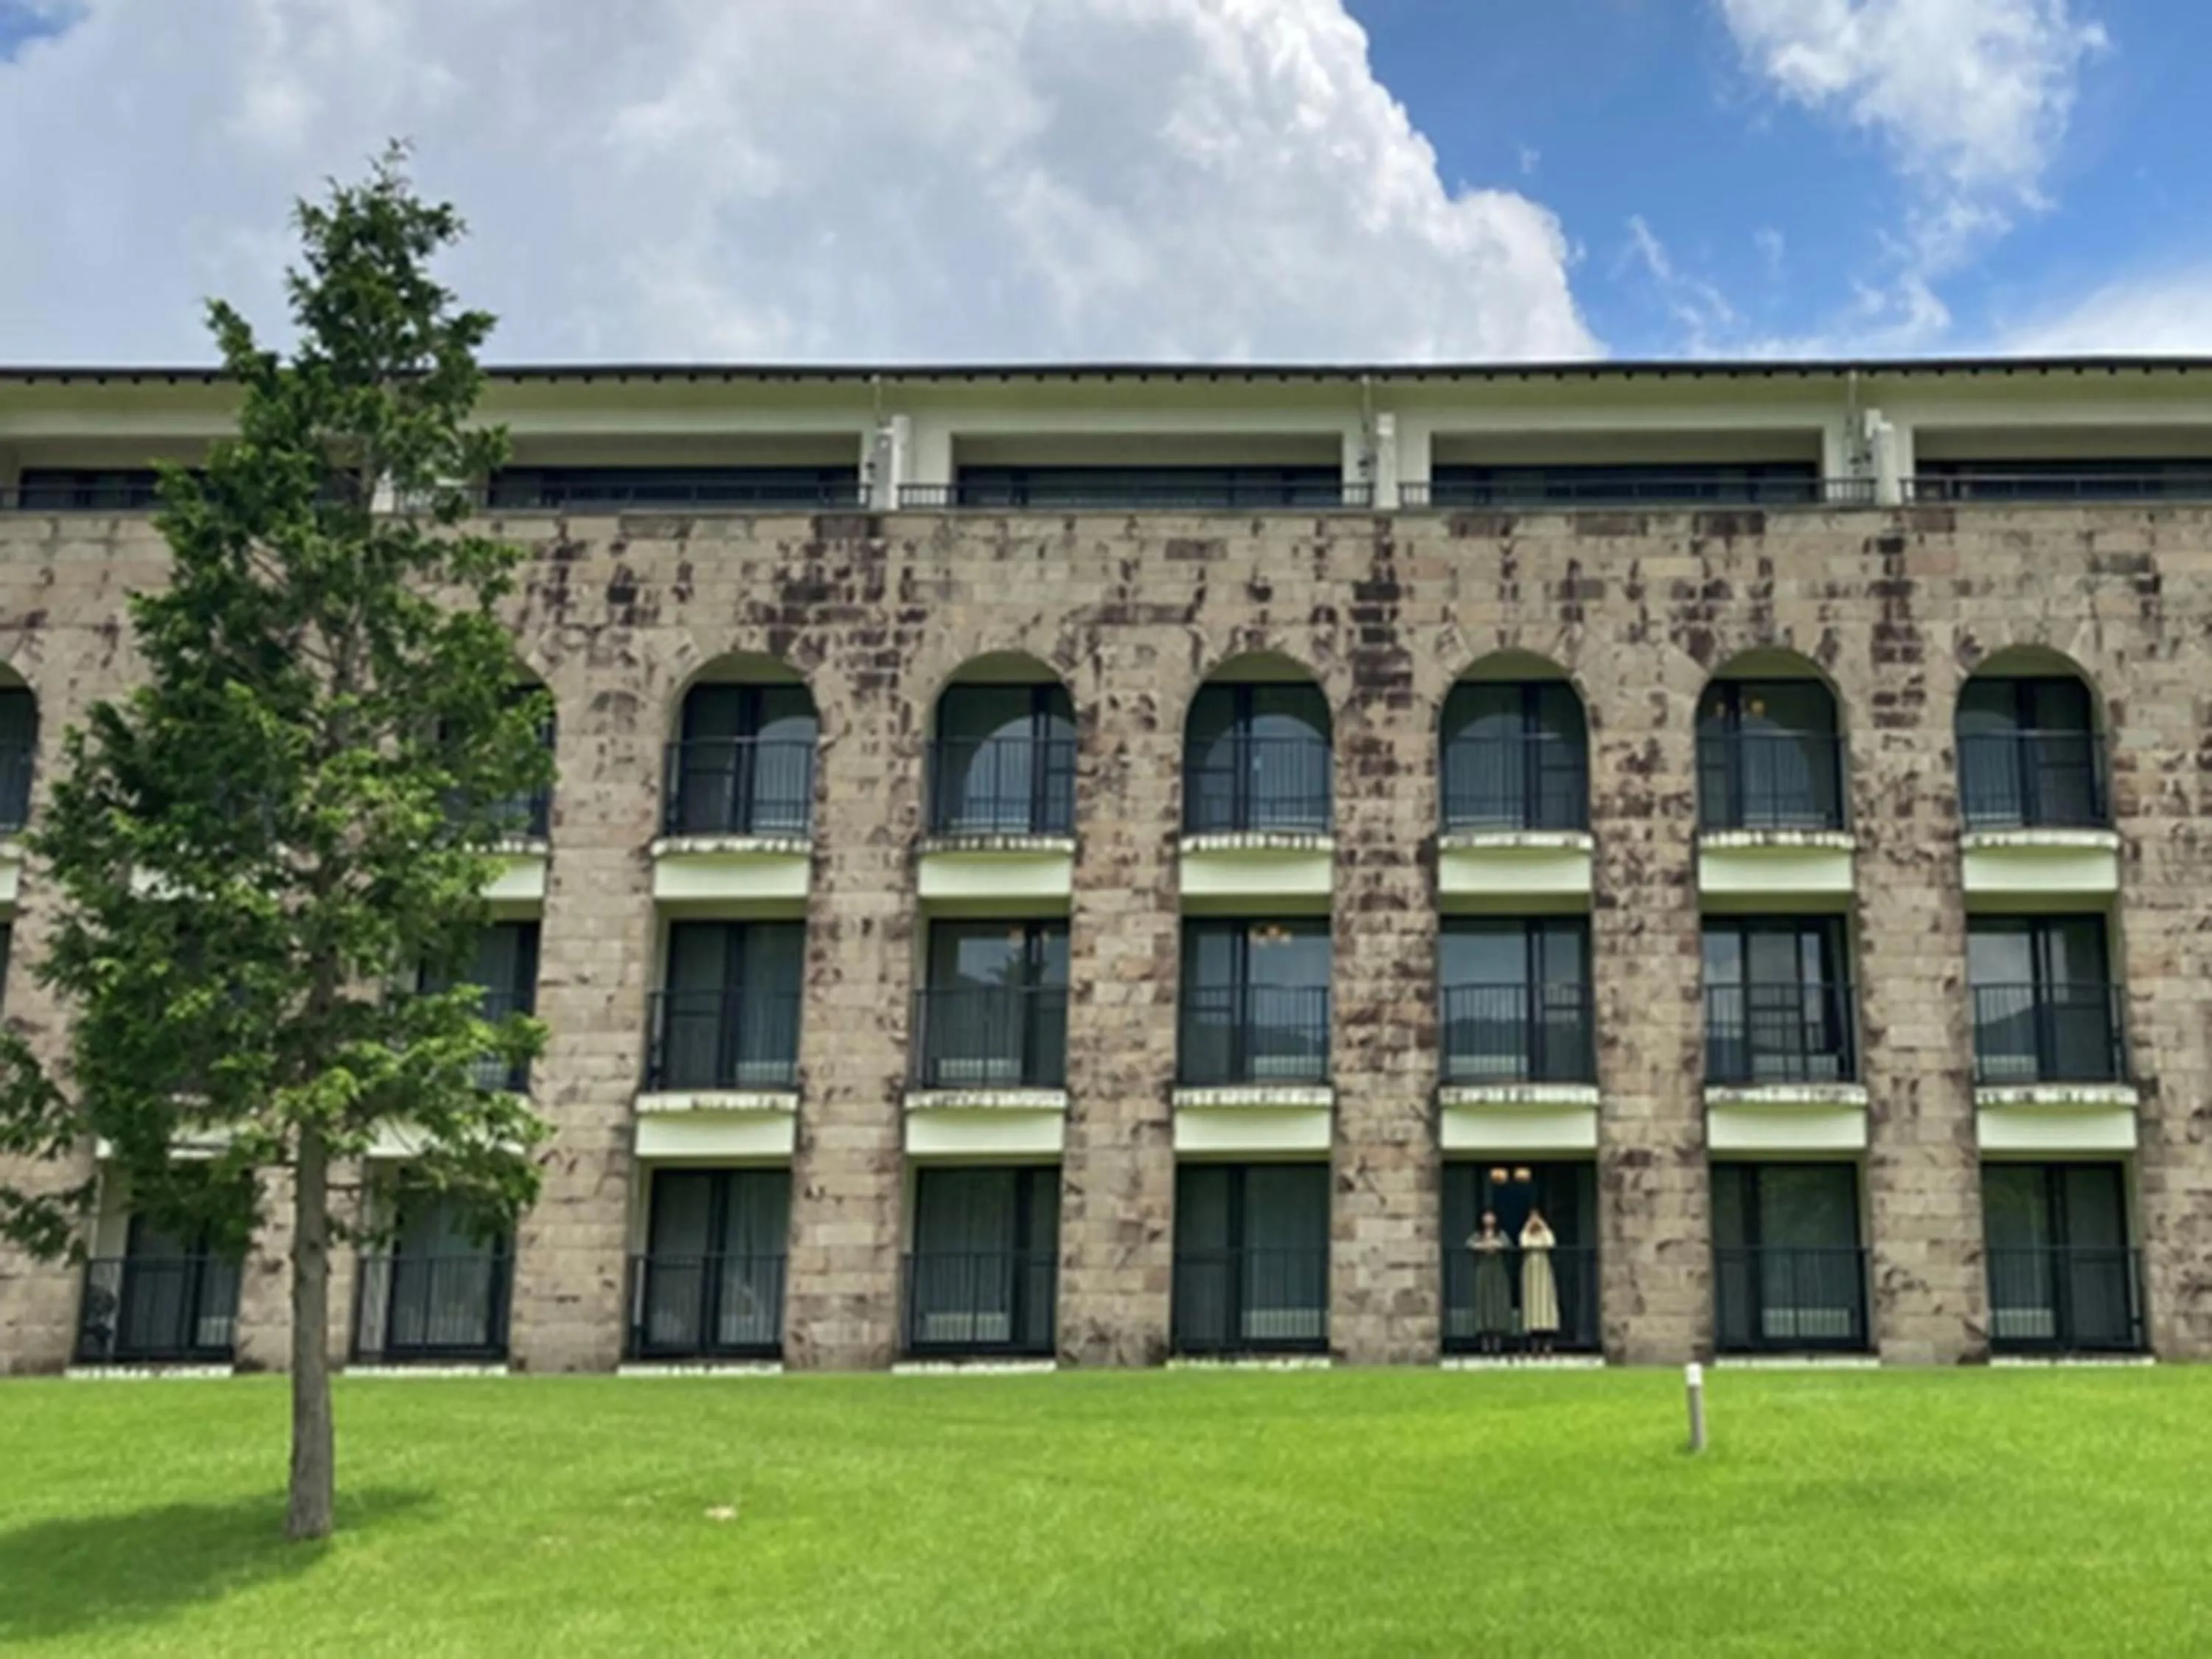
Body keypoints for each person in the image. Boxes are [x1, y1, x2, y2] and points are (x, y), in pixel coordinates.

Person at [1468, 1210, 1514, 1355]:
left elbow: (1506, 1244)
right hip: (1483, 1271)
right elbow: (1470, 1244)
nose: (1489, 1219)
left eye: (1491, 1217)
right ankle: (1485, 1342)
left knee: (1497, 1303)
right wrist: (1484, 1245)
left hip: (1497, 1271)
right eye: (1486, 1217)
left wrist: (1494, 1244)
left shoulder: (1500, 1234)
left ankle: (1498, 1342)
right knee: (1484, 1303)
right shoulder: (1478, 1234)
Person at [1520, 1207, 1560, 1355]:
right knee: (1533, 1304)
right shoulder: (1527, 1234)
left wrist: (1543, 1227)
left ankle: (1548, 1342)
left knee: (1545, 1304)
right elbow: (1524, 1243)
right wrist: (1528, 1228)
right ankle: (1534, 1344)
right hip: (1531, 1270)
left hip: (1543, 1269)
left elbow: (1550, 1242)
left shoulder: (1544, 1234)